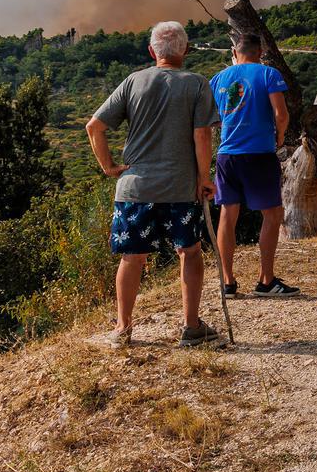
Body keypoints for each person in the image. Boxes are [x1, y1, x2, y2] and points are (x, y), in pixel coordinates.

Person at [86, 21, 222, 348]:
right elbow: (202, 135)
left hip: (135, 187)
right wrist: (205, 178)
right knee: (189, 252)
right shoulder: (197, 83)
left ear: (151, 51)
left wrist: (109, 168)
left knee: (132, 257)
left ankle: (123, 330)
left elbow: (94, 127)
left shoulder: (134, 81)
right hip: (180, 187)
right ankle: (191, 327)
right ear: (185, 50)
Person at [209, 32, 299, 297]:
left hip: (226, 156)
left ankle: (227, 282)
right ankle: (266, 280)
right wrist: (279, 137)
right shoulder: (268, 74)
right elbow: (281, 114)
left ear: (234, 53)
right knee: (272, 215)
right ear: (260, 53)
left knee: (227, 215)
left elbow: (211, 119)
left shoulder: (218, 79)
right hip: (259, 153)